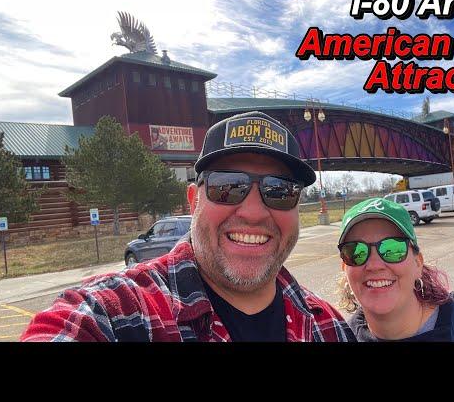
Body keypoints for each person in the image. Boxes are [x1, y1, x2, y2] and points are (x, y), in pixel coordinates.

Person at [21, 111, 355, 342]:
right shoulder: (117, 312)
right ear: (194, 201)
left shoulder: (329, 326)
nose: (253, 212)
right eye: (228, 186)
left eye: (279, 191)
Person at [337, 197, 454, 342]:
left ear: (418, 263)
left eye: (393, 249)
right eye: (356, 252)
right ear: (345, 267)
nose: (375, 265)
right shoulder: (341, 337)